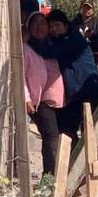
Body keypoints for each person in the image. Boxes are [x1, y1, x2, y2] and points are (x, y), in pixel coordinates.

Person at [34, 9, 98, 147]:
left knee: (90, 134)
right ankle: (75, 164)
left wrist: (31, 41)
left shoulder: (73, 39)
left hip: (89, 91)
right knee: (67, 131)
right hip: (75, 95)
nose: (54, 29)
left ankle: (89, 165)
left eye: (57, 25)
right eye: (51, 26)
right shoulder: (58, 41)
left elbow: (51, 52)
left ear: (66, 26)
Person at [24, 11, 65, 175]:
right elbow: (21, 76)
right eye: (34, 24)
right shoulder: (26, 49)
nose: (38, 27)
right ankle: (49, 179)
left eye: (42, 23)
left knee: (63, 137)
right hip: (40, 101)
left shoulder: (55, 46)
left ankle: (63, 177)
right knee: (50, 137)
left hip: (60, 100)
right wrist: (26, 98)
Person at [71, 0, 98, 65]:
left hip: (93, 57)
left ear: (92, 10)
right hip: (77, 57)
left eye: (89, 8)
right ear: (80, 9)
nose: (86, 10)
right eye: (84, 8)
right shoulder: (74, 23)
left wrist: (92, 36)